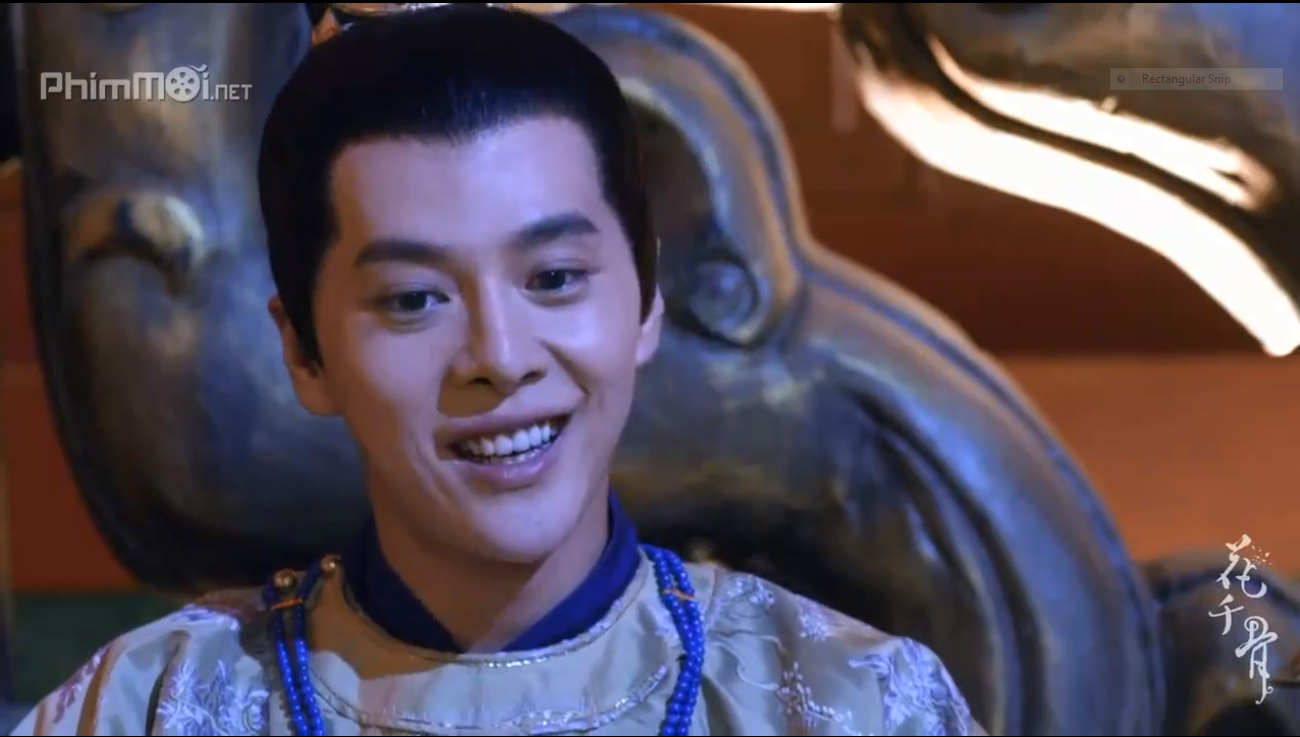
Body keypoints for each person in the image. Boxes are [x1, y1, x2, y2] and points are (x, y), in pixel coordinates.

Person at [12, 6, 986, 735]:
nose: (500, 358)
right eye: (413, 299)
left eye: (554, 278)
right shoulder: (149, 707)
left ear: (646, 297)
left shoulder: (859, 705)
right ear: (303, 351)